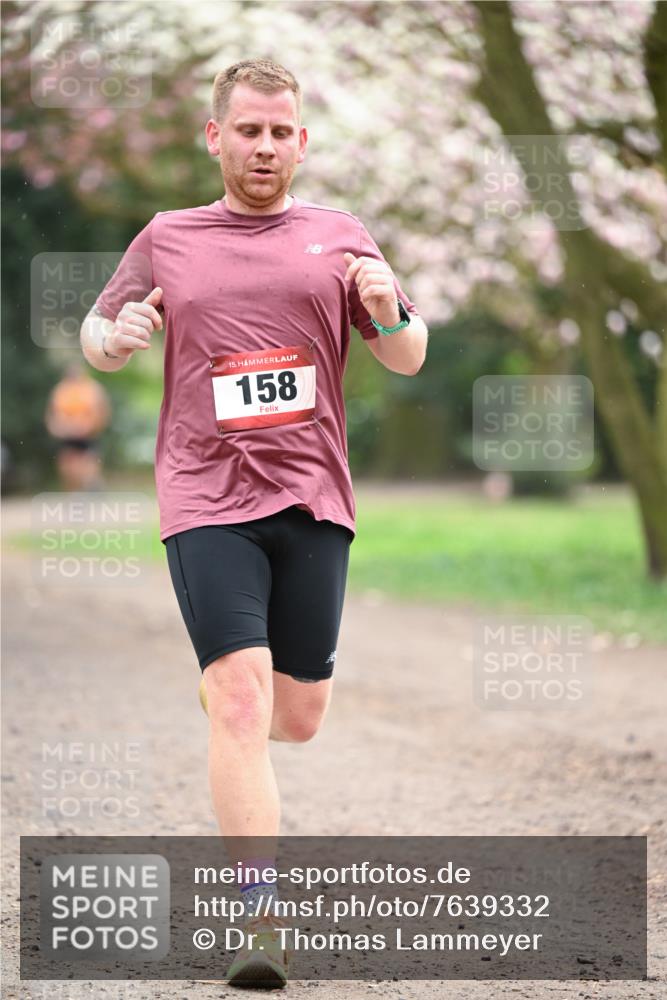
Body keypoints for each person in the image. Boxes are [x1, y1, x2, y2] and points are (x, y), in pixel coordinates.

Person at [80, 58, 428, 988]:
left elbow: (405, 356)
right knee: (241, 702)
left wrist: (390, 310)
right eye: (248, 130)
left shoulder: (339, 235)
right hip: (204, 498)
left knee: (297, 717)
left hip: (313, 496)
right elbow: (99, 332)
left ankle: (232, 699)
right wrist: (112, 339)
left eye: (281, 132)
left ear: (301, 141)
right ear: (216, 137)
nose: (264, 146)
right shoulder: (169, 237)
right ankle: (258, 925)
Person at [44, 362, 111, 491]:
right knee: (66, 465)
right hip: (67, 434)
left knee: (88, 463)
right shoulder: (61, 390)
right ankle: (75, 491)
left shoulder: (92, 388)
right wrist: (55, 428)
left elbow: (102, 411)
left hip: (88, 434)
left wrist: (92, 427)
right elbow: (51, 413)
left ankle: (91, 485)